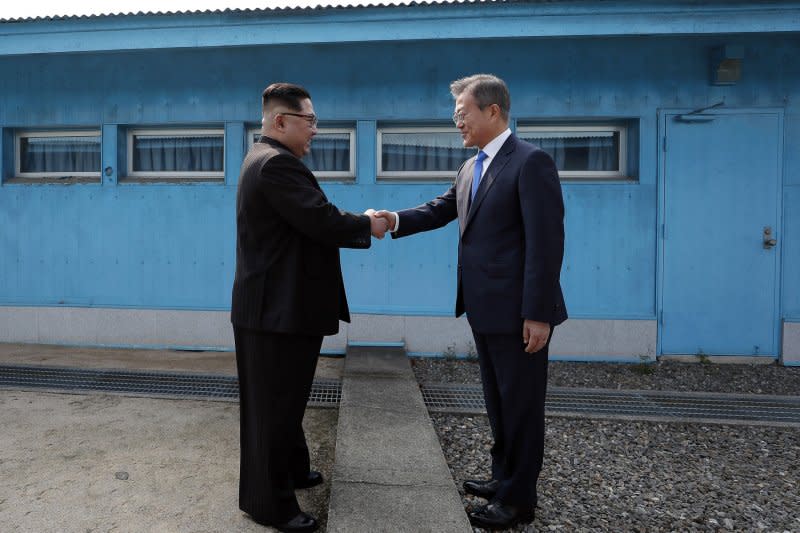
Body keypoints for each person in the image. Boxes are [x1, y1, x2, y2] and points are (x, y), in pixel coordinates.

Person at [375, 74, 567, 530]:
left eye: (462, 114)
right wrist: (393, 219)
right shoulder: (470, 167)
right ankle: (503, 479)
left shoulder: (530, 162)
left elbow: (546, 243)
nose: (456, 122)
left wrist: (538, 313)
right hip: (483, 307)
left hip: (521, 312)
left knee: (521, 405)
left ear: (492, 111)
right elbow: (442, 208)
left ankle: (519, 501)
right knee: (499, 402)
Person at [230, 82, 388, 532]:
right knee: (272, 412)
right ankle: (269, 505)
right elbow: (320, 219)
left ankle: (295, 470)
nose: (315, 129)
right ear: (281, 121)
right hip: (275, 313)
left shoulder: (267, 159)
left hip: (277, 308)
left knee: (286, 402)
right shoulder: (277, 165)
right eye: (310, 121)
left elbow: (308, 219)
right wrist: (367, 224)